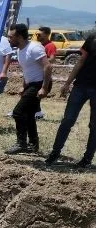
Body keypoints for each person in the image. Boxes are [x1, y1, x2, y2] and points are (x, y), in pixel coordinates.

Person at [45, 33, 96, 168]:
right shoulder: (92, 38)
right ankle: (55, 153)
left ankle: (87, 160)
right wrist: (68, 83)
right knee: (68, 120)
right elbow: (81, 60)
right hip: (81, 85)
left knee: (94, 125)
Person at [5, 23, 51, 155]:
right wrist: (23, 85)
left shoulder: (34, 48)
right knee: (29, 114)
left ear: (19, 36)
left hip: (39, 84)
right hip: (31, 84)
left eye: (10, 37)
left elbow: (47, 67)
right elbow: (27, 70)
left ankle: (21, 144)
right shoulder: (20, 50)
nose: (9, 39)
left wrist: (44, 88)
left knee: (18, 112)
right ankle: (33, 145)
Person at [34, 27, 55, 120]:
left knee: (34, 96)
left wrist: (40, 61)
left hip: (43, 76)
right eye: (36, 34)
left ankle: (37, 113)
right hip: (36, 74)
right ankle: (37, 113)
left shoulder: (50, 45)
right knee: (34, 97)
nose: (37, 36)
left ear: (46, 35)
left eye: (39, 34)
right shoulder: (39, 45)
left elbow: (52, 58)